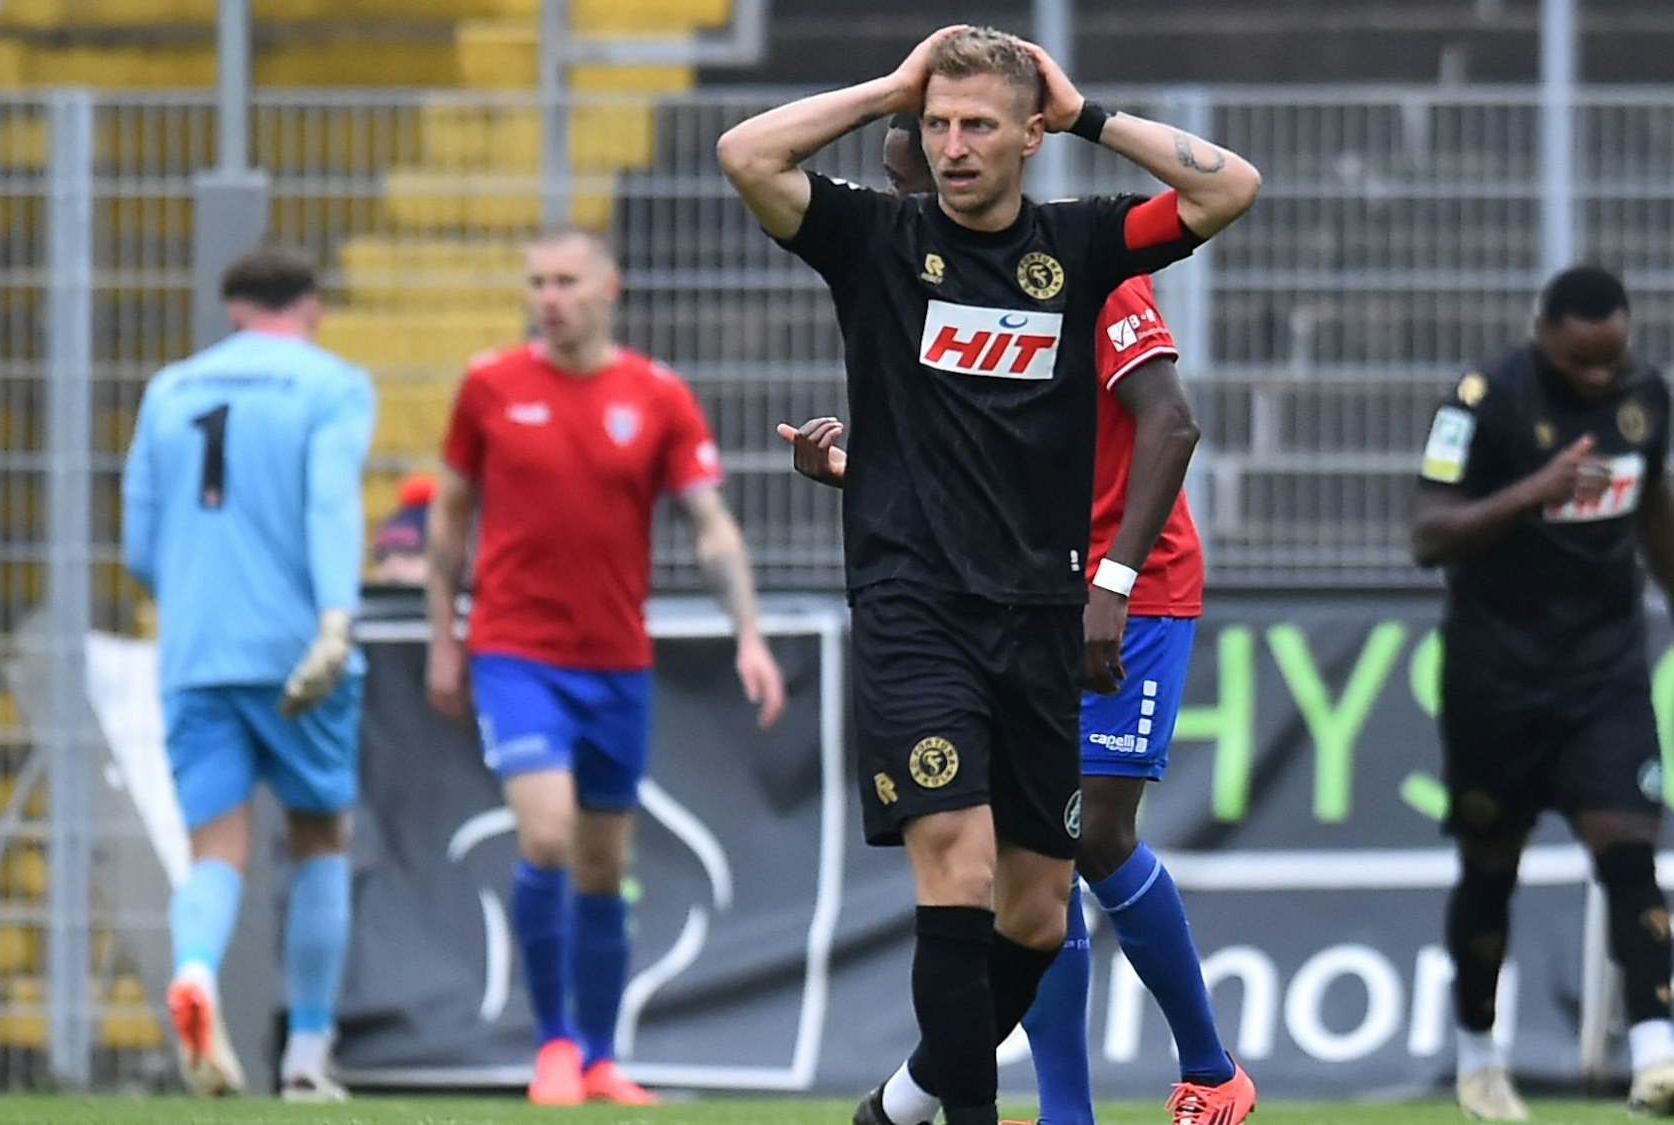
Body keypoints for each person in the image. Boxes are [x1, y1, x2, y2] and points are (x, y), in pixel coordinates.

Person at [719, 25, 1260, 1125]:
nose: (951, 145)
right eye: (937, 124)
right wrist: (889, 83)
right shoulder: (873, 238)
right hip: (915, 609)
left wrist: (1091, 112)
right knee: (955, 869)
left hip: (1040, 615)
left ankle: (905, 1105)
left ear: (1028, 138)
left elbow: (1229, 189)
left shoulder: (1084, 251)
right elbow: (745, 154)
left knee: (1033, 911)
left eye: (977, 125)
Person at [423, 227, 788, 1107]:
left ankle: (596, 1053)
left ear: (608, 289)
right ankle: (550, 1043)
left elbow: (711, 525)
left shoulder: (656, 396)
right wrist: (446, 633)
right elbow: (448, 518)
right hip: (515, 651)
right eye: (536, 280)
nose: (548, 296)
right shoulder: (490, 386)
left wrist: (749, 632)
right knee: (544, 835)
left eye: (565, 280)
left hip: (617, 660)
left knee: (601, 862)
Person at [1410, 265, 1674, 1120]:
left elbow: (1657, 503)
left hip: (1605, 669)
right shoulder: (1481, 400)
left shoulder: (1644, 395)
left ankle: (1656, 1057)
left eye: (1611, 362)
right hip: (1495, 675)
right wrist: (1532, 492)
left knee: (1628, 845)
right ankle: (1480, 1057)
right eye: (1582, 365)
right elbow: (1426, 533)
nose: (1599, 379)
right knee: (1489, 867)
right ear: (1542, 329)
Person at [122, 244, 375, 1102]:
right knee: (319, 834)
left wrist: (197, 600)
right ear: (312, 307)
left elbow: (140, 547)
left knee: (213, 848)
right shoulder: (332, 383)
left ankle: (195, 969)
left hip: (196, 649)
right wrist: (335, 619)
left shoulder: (169, 388)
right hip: (299, 648)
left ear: (232, 309)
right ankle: (307, 1054)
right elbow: (330, 498)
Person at [369, 470, 436, 586]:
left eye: (408, 556)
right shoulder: (436, 523)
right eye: (383, 558)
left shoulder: (392, 519)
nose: (393, 569)